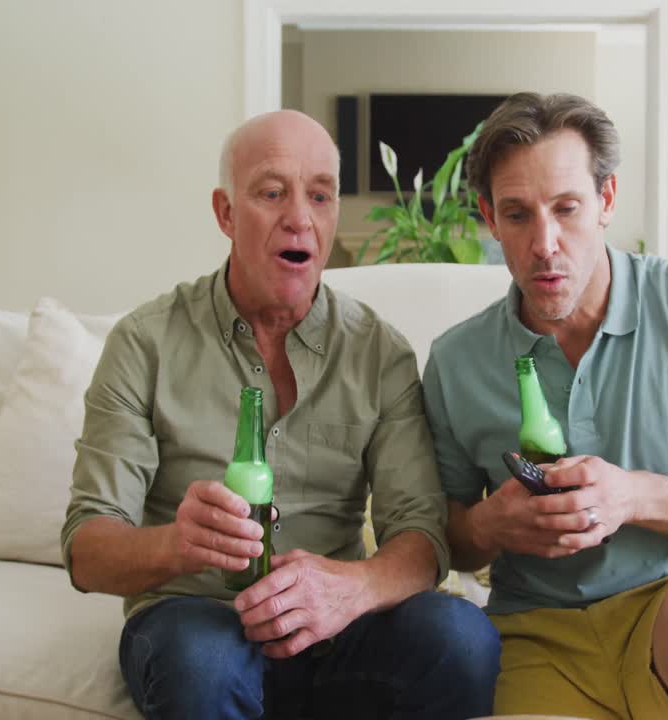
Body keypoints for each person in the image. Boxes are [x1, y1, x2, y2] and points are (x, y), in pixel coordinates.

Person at [62, 110, 499, 720]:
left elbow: (421, 536)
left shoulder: (379, 352)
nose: (300, 216)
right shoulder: (144, 342)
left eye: (319, 195)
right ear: (225, 213)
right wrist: (175, 546)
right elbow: (87, 547)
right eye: (272, 192)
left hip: (340, 622)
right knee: (202, 667)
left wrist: (352, 589)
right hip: (199, 617)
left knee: (462, 640)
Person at [422, 92, 668, 720]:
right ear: (490, 219)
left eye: (566, 208)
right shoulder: (455, 360)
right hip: (537, 634)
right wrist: (492, 526)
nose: (545, 244)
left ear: (605, 201)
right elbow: (451, 541)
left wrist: (631, 496)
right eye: (518, 215)